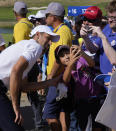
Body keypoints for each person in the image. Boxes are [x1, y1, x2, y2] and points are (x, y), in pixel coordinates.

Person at [0, 25, 60, 131]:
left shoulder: (25, 45)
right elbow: (15, 72)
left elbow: (24, 86)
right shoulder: (35, 46)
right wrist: (16, 107)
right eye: (48, 38)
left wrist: (50, 82)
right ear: (38, 35)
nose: (50, 43)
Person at [43, 2, 73, 131]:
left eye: (47, 15)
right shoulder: (61, 31)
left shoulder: (62, 31)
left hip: (57, 79)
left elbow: (61, 57)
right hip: (60, 78)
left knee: (49, 114)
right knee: (62, 110)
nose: (46, 18)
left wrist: (50, 76)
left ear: (53, 17)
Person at [80, 3, 116, 75]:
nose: (110, 20)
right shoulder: (108, 28)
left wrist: (102, 37)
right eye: (109, 17)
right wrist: (85, 37)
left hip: (115, 78)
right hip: (102, 77)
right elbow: (93, 49)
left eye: (113, 18)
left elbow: (115, 61)